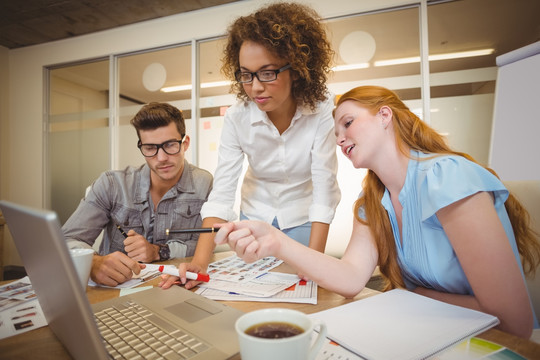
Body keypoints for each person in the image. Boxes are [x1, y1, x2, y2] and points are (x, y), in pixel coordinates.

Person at [213, 85, 540, 339]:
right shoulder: (372, 201)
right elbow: (351, 278)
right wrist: (276, 241)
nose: (340, 140)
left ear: (385, 116)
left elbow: (513, 322)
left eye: (348, 123)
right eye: (336, 134)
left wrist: (417, 295)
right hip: (429, 333)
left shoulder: (447, 176)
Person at [161, 2, 340, 289]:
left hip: (303, 218)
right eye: (246, 74)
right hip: (254, 218)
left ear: (296, 70)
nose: (255, 87)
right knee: (253, 292)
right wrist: (200, 263)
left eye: (267, 73)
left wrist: (315, 262)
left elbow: (324, 192)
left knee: (304, 292)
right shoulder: (237, 118)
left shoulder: (322, 112)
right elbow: (221, 193)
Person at [63, 102, 213, 286]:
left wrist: (159, 251)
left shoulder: (204, 184)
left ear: (185, 143)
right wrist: (93, 262)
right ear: (142, 147)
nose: (162, 158)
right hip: (115, 291)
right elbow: (67, 240)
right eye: (150, 148)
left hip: (178, 288)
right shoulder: (112, 184)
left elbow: (208, 245)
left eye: (170, 145)